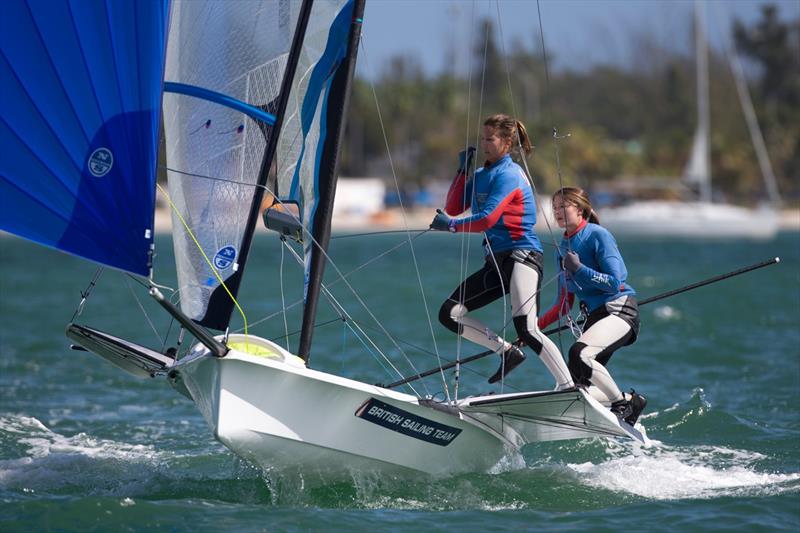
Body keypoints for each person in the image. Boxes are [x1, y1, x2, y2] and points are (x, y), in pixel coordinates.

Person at [430, 114, 573, 389]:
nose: (484, 144)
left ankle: (567, 386)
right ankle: (506, 352)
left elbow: (486, 219)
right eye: (482, 138)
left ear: (507, 142)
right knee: (449, 313)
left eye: (490, 139)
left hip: (523, 258)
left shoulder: (510, 175)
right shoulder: (483, 175)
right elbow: (455, 206)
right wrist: (462, 171)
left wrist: (451, 228)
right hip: (495, 263)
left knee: (527, 329)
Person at [538, 187, 646, 425]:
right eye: (554, 207)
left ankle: (622, 404)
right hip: (595, 318)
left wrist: (580, 269)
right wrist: (532, 329)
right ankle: (631, 399)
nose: (557, 211)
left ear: (580, 209)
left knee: (580, 354)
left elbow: (615, 282)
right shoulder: (562, 250)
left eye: (562, 206)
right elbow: (563, 305)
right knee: (574, 389)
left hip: (619, 310)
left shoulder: (598, 235)